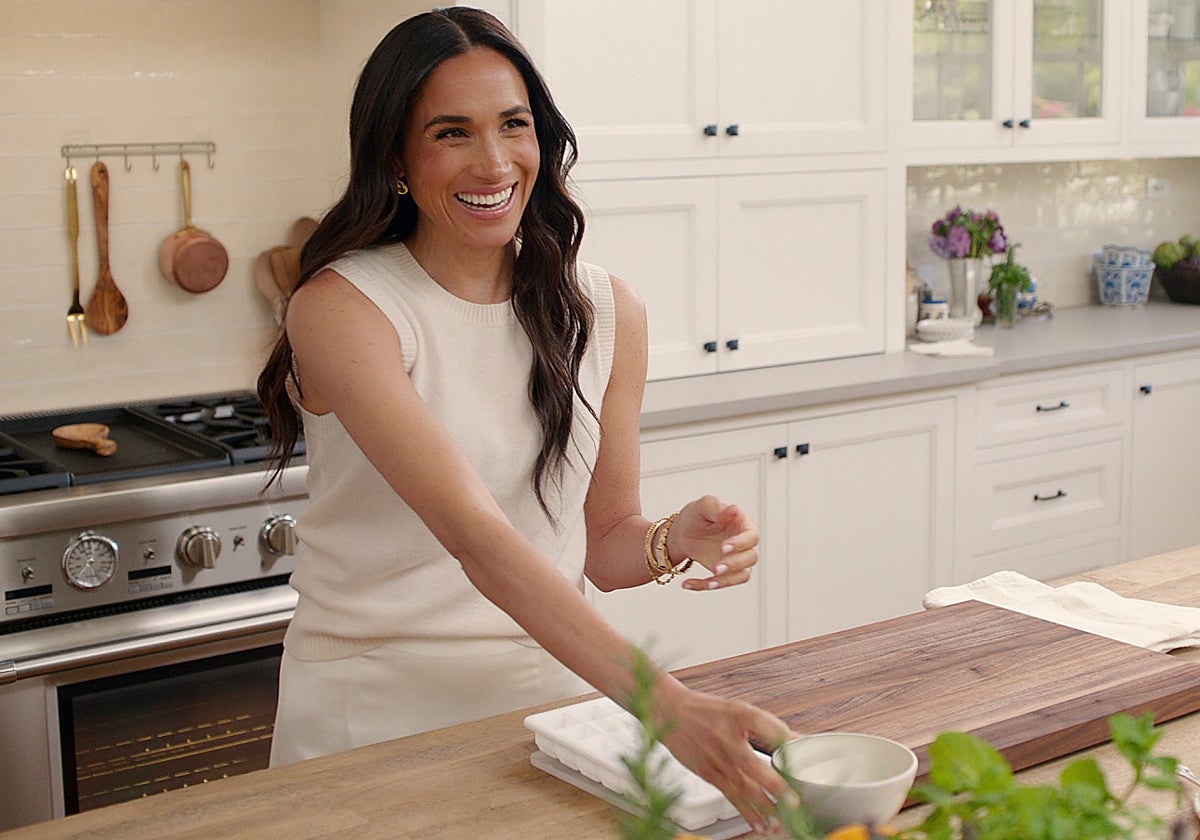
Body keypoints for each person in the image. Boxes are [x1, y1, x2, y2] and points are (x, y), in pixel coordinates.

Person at [257, 7, 791, 833]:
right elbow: (478, 540)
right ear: (396, 156)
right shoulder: (343, 310)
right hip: (370, 716)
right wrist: (669, 706)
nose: (495, 161)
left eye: (515, 125)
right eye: (452, 133)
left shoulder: (605, 309)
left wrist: (674, 538)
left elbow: (602, 544)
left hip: (552, 714)